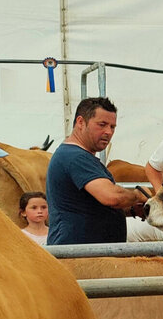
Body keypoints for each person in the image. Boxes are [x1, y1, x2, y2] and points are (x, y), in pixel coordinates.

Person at [45, 97, 145, 246]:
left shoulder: (76, 155)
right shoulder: (76, 157)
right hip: (80, 254)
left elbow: (89, 209)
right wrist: (138, 195)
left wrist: (132, 210)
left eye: (112, 127)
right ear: (80, 122)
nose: (108, 132)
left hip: (89, 253)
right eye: (102, 125)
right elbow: (112, 197)